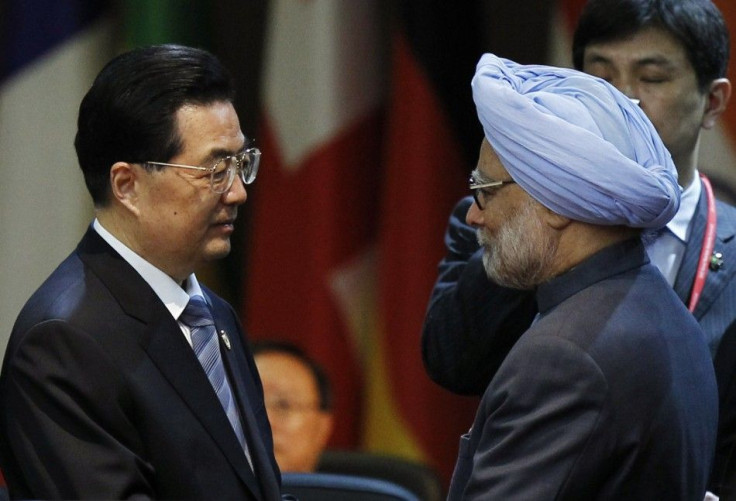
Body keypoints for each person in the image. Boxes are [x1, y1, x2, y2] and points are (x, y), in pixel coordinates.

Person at [423, 0, 736, 496]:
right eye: (600, 74)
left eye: (486, 190)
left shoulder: (562, 359)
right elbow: (452, 358)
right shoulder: (662, 311)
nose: (474, 213)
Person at [0, 45, 283, 500]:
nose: (237, 193)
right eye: (214, 170)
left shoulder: (214, 317)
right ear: (127, 185)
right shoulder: (63, 342)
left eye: (240, 163)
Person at [252, 340, 334, 473]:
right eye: (248, 405)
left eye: (283, 405)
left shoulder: (362, 492)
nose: (264, 421)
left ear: (322, 427)